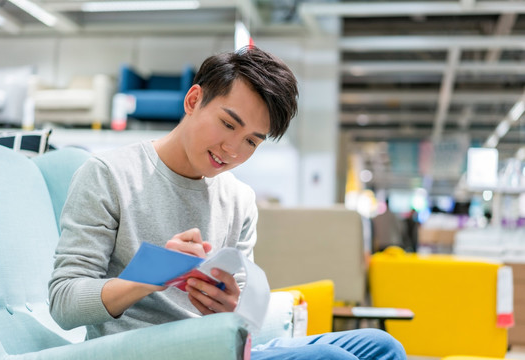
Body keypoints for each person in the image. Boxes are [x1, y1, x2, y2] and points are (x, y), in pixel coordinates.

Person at [48, 46, 406, 360]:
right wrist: (149, 277)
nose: (233, 150)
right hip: (144, 349)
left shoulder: (239, 200)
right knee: (329, 357)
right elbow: (63, 302)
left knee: (382, 345)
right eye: (227, 124)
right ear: (192, 101)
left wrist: (230, 306)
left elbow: (241, 314)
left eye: (252, 141)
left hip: (215, 345)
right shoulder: (109, 174)